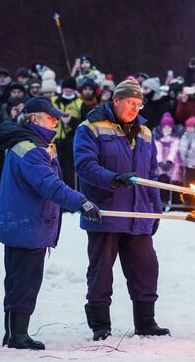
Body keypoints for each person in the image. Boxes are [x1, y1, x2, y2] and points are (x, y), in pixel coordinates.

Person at [0, 96, 101, 350]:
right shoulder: (31, 149)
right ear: (33, 119)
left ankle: (12, 332)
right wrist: (82, 202)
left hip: (21, 223)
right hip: (29, 225)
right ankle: (18, 335)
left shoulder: (31, 144)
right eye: (49, 116)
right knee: (26, 281)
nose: (55, 120)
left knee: (17, 279)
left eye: (55, 116)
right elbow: (49, 185)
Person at [74, 79, 169, 341]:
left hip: (138, 214)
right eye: (130, 103)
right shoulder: (90, 127)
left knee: (146, 268)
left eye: (139, 104)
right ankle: (100, 325)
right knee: (101, 271)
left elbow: (151, 174)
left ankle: (146, 322)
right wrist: (114, 179)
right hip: (106, 212)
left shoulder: (146, 132)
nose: (135, 108)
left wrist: (155, 210)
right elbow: (85, 166)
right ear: (116, 101)